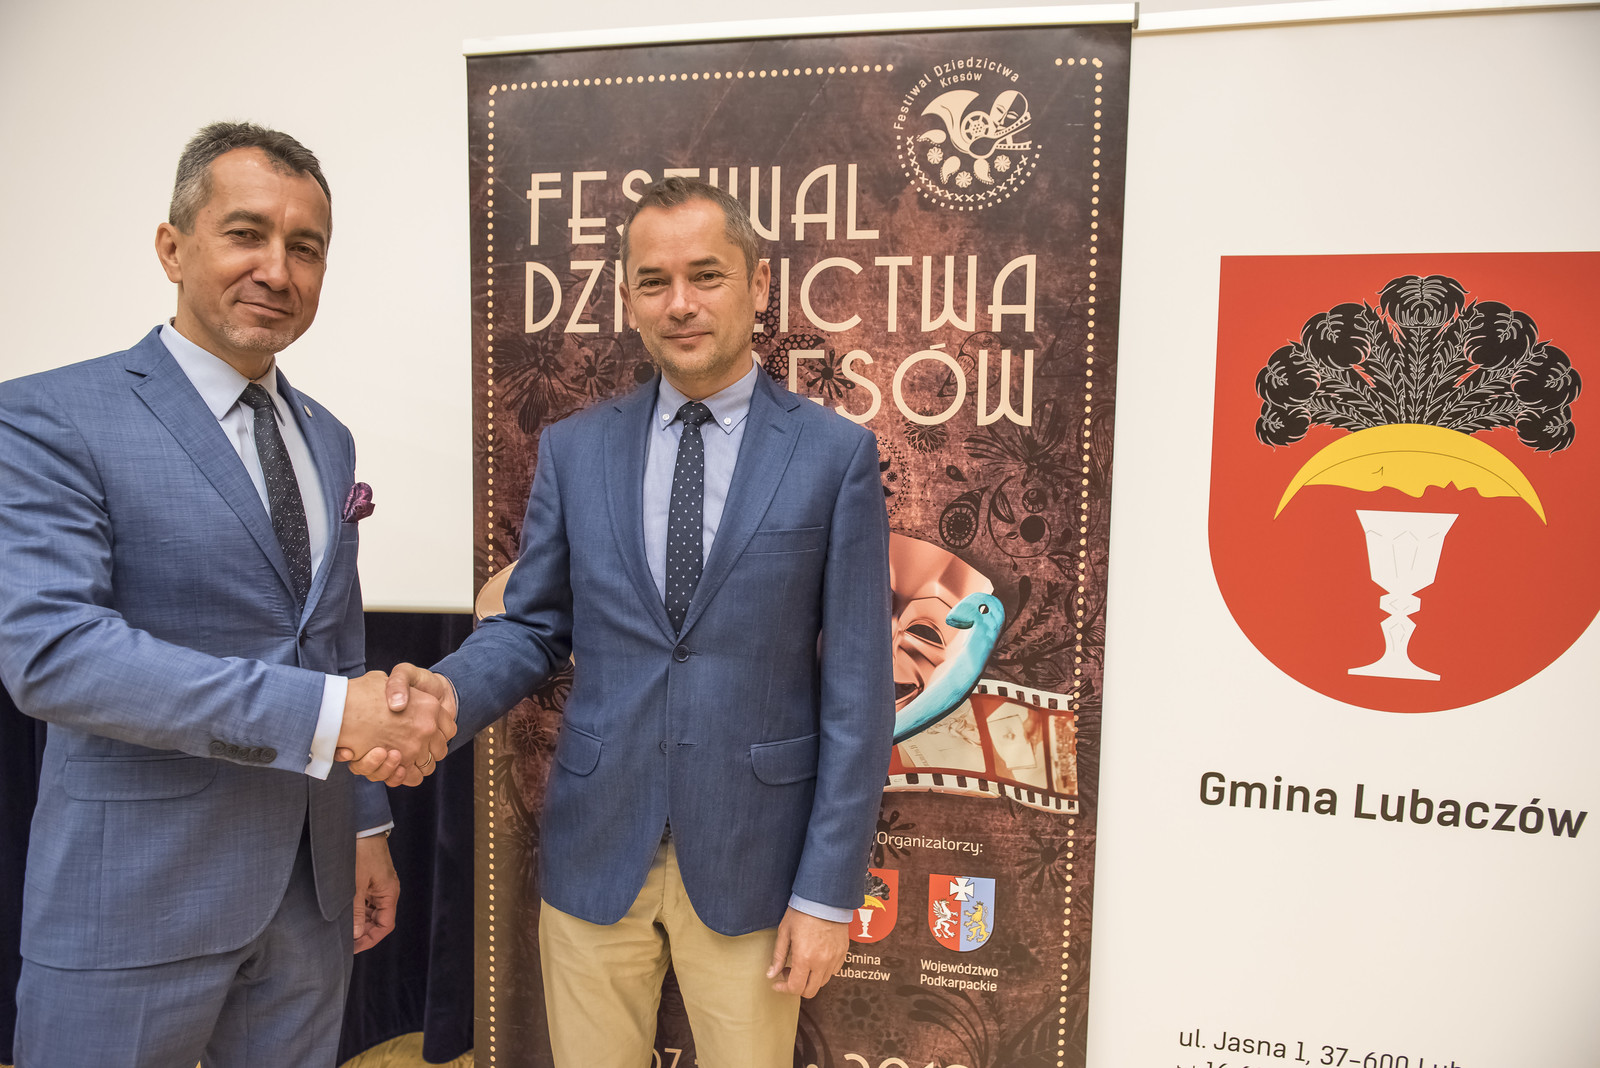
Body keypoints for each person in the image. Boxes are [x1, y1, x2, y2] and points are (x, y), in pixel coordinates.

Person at [385, 177, 895, 1066]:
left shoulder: (833, 456)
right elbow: (532, 626)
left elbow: (858, 691)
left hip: (753, 861)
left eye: (706, 275)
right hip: (596, 848)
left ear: (758, 284)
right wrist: (442, 697)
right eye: (654, 281)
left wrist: (825, 895)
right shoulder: (574, 450)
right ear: (628, 298)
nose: (680, 303)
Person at [0, 121, 454, 1068]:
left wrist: (366, 822)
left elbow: (331, 643)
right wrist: (328, 716)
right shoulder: (49, 416)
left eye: (306, 247)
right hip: (137, 894)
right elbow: (56, 655)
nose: (277, 271)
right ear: (172, 248)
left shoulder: (327, 435)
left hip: (310, 896)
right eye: (246, 234)